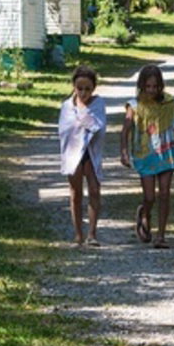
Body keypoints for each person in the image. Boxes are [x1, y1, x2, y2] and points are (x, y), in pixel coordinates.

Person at [120, 64, 174, 248]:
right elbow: (126, 130)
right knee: (150, 196)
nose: (152, 90)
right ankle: (144, 213)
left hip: (166, 152)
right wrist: (124, 151)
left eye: (155, 87)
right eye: (148, 87)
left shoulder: (168, 102)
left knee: (164, 193)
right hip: (145, 154)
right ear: (142, 86)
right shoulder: (135, 106)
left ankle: (161, 235)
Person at [58, 64, 106, 247]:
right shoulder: (67, 107)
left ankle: (92, 234)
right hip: (73, 154)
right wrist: (80, 122)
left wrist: (85, 120)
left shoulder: (98, 104)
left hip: (91, 153)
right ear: (74, 87)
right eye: (80, 89)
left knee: (94, 190)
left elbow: (98, 126)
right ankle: (78, 233)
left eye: (88, 89)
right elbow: (64, 130)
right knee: (75, 193)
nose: (84, 93)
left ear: (93, 88)